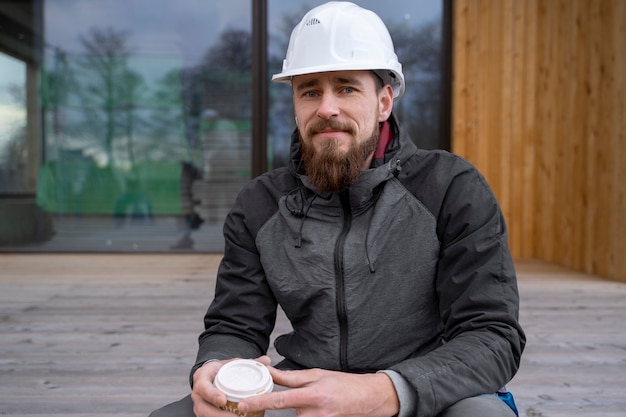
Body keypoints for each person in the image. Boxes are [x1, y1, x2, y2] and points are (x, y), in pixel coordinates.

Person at [150, 2, 525, 417]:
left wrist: (385, 391)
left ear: (384, 103)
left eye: (346, 88)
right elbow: (235, 326)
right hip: (307, 391)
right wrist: (214, 367)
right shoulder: (259, 205)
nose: (326, 107)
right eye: (310, 90)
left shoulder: (450, 187)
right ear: (295, 104)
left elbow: (493, 336)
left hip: (428, 392)